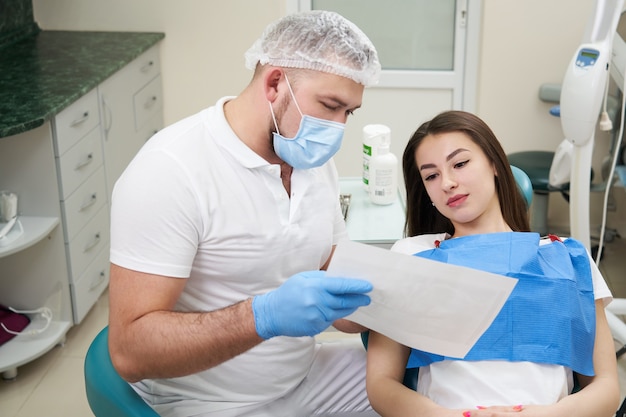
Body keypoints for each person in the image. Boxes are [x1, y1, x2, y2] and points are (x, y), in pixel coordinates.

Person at [107, 10, 382, 417]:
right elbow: (130, 351)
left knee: (428, 386)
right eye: (330, 105)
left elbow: (333, 281)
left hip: (306, 379)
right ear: (274, 84)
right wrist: (262, 316)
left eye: (349, 113)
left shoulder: (309, 157)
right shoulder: (171, 170)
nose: (338, 128)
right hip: (210, 402)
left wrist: (394, 294)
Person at [365, 110, 619, 417]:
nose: (447, 182)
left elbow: (606, 387)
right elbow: (381, 383)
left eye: (460, 164)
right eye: (431, 175)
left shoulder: (567, 256)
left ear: (495, 165)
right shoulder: (412, 255)